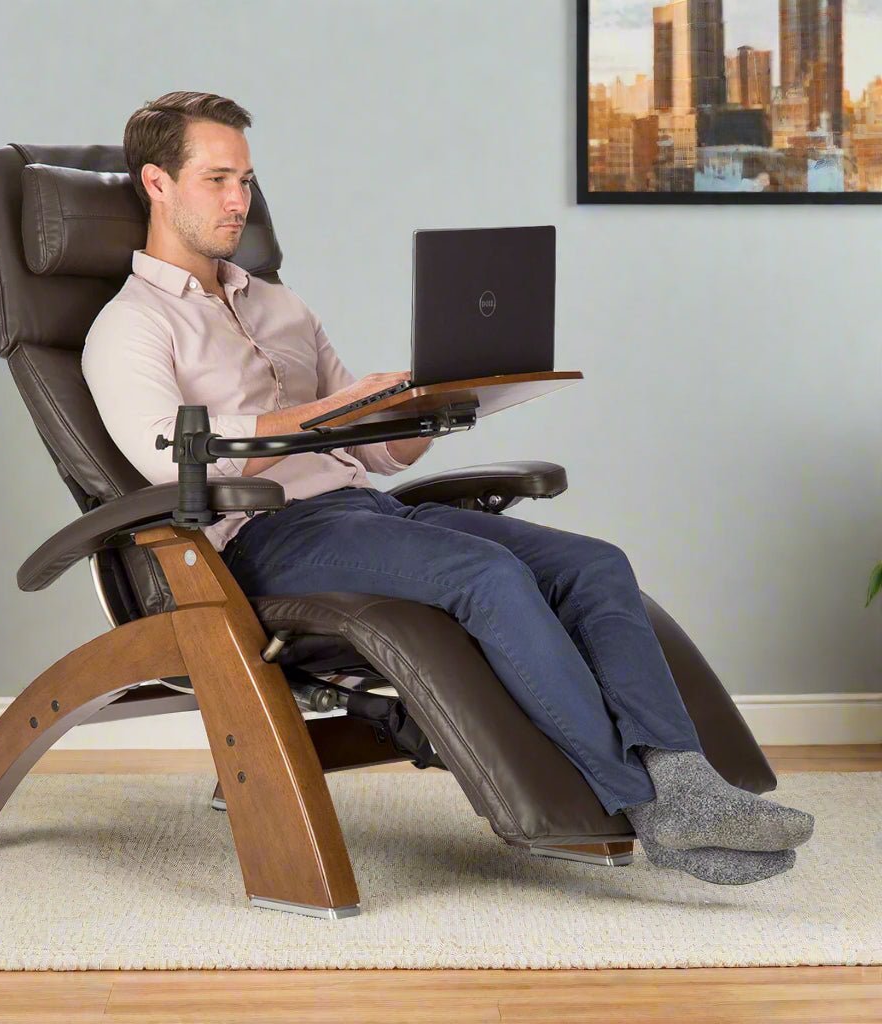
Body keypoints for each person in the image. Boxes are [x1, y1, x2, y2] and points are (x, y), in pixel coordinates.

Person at [82, 91, 814, 887]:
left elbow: (378, 451)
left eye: (248, 181)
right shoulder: (130, 325)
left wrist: (430, 404)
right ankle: (642, 801)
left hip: (363, 512)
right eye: (218, 180)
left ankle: (687, 780)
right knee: (487, 576)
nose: (239, 201)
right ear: (157, 183)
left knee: (594, 564)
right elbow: (171, 458)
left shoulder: (281, 305)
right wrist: (331, 411)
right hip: (264, 538)